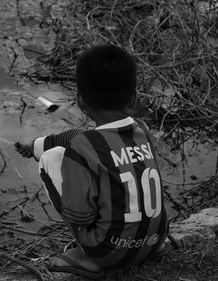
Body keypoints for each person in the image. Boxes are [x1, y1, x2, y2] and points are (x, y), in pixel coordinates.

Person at [15, 44, 170, 279]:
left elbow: (80, 216)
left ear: (80, 102)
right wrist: (36, 143)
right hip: (156, 237)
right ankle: (148, 246)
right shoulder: (143, 131)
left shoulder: (83, 146)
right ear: (135, 98)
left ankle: (89, 257)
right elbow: (75, 136)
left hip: (109, 253)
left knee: (50, 158)